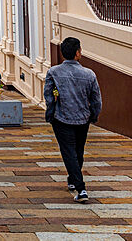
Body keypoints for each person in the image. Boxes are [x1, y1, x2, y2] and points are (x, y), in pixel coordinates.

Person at [44, 37, 102, 204]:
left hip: (62, 117)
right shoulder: (89, 74)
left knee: (69, 152)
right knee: (78, 151)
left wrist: (50, 112)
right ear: (77, 53)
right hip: (83, 118)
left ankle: (80, 187)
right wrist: (94, 115)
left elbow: (48, 95)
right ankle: (74, 179)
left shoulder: (53, 72)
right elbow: (96, 99)